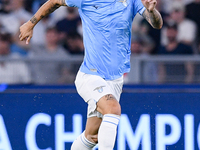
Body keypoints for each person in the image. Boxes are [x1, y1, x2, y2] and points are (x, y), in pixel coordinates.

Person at [19, 0, 163, 149]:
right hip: (90, 76)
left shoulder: (133, 1)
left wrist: (152, 11)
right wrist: (31, 23)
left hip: (115, 80)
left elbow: (157, 24)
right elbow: (55, 1)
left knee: (92, 137)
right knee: (113, 109)